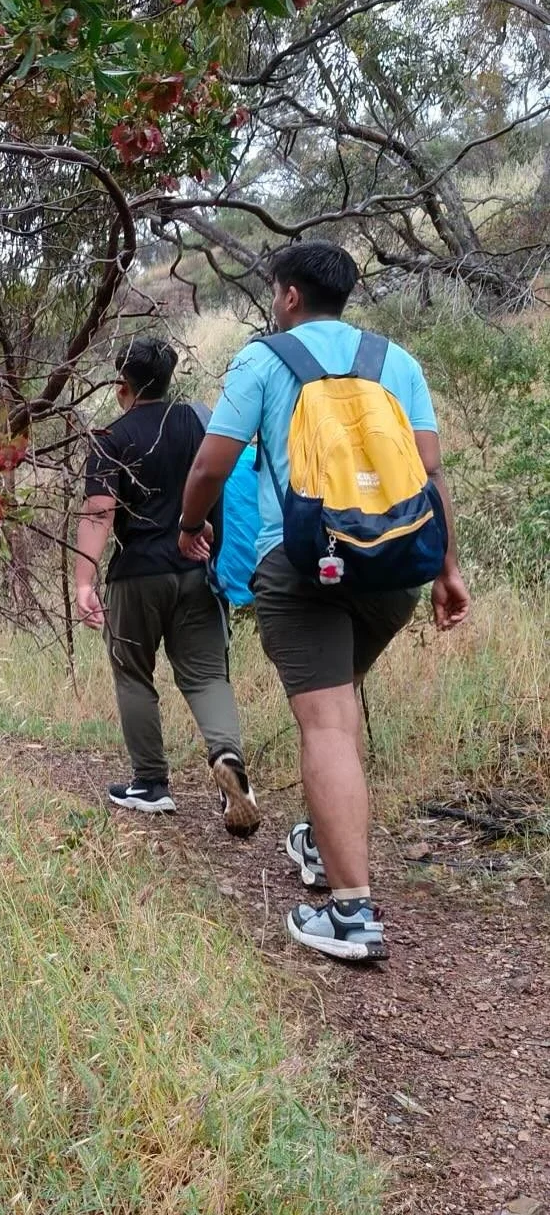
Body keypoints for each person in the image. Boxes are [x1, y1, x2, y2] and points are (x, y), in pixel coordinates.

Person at [178, 240, 471, 963]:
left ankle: (351, 912)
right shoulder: (393, 360)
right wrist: (447, 568)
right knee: (334, 710)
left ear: (287, 296)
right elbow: (430, 472)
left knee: (328, 724)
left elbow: (213, 461)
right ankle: (318, 839)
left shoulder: (265, 359)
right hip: (397, 565)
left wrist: (189, 527)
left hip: (306, 564)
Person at [74, 336, 261, 836]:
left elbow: (99, 510)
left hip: (136, 574)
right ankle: (227, 756)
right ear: (169, 379)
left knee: (134, 674)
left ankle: (151, 784)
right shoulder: (197, 423)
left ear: (122, 387)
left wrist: (84, 580)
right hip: (196, 567)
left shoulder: (109, 437)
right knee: (205, 676)